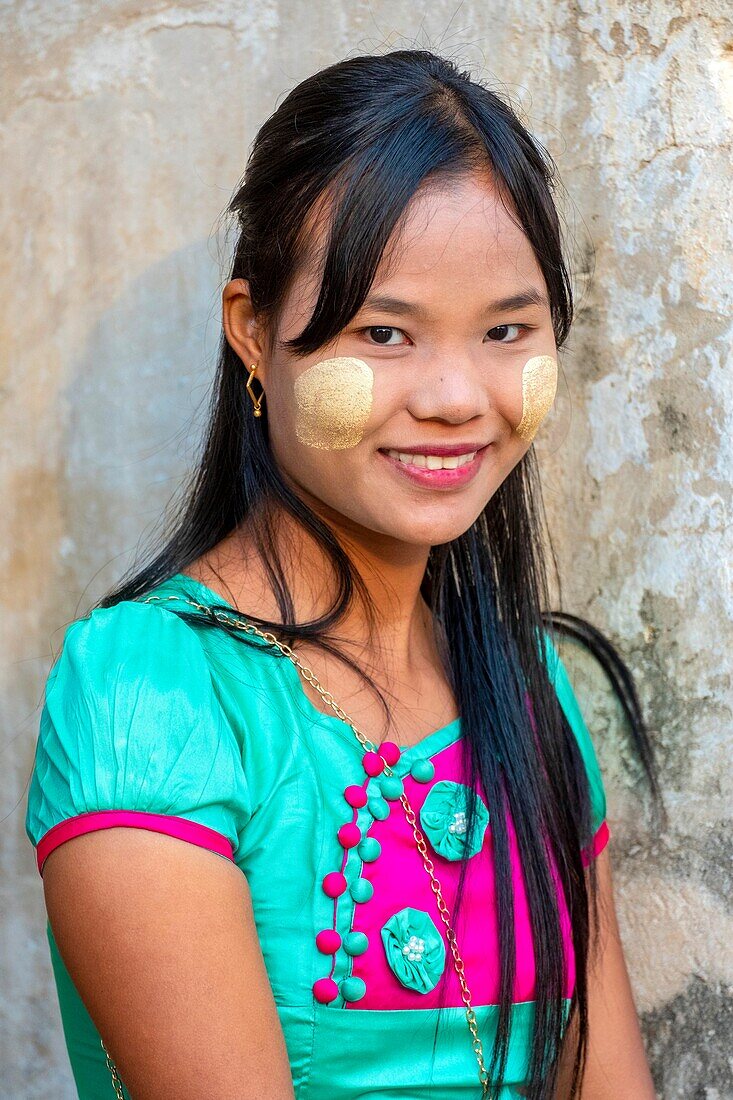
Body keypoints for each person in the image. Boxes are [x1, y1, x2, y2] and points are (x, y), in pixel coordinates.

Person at [24, 49, 661, 1100]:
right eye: (384, 332)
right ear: (252, 334)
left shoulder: (528, 685)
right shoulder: (153, 692)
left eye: (506, 329)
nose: (458, 395)